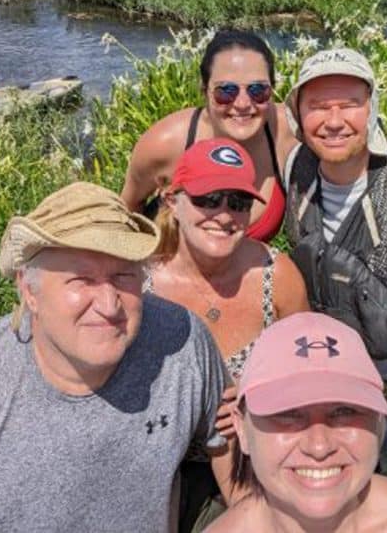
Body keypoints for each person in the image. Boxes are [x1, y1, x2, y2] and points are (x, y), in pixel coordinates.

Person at [0, 182, 228, 531]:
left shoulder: (179, 340)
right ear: (28, 289)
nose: (109, 303)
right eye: (82, 279)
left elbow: (233, 455)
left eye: (124, 275)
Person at [282, 48, 387, 476]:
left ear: (373, 110)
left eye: (349, 104)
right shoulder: (296, 165)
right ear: (296, 115)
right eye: (316, 106)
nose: (334, 121)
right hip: (325, 363)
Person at [205, 312, 387, 533]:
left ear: (380, 422)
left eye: (344, 412)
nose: (319, 446)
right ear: (241, 429)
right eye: (288, 414)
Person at [148, 137, 310, 530]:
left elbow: (309, 372)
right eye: (208, 198)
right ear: (173, 201)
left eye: (237, 203)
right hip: (165, 466)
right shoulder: (140, 285)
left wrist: (263, 396)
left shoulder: (277, 274)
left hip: (259, 461)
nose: (223, 215)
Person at [122, 29, 295, 242]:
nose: (242, 104)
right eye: (226, 91)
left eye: (258, 90)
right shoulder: (166, 143)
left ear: (273, 90)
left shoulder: (287, 130)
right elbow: (126, 214)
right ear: (204, 91)